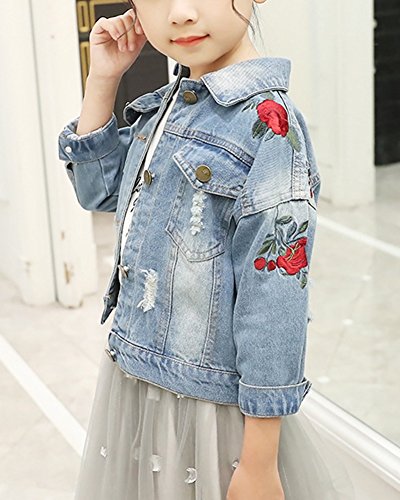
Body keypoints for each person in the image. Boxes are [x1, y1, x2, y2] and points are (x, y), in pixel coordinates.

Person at [58, 1, 354, 499]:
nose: (180, 13)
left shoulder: (269, 128)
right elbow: (98, 192)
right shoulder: (170, 103)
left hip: (208, 407)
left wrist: (259, 461)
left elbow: (274, 303)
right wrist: (103, 79)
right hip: (137, 379)